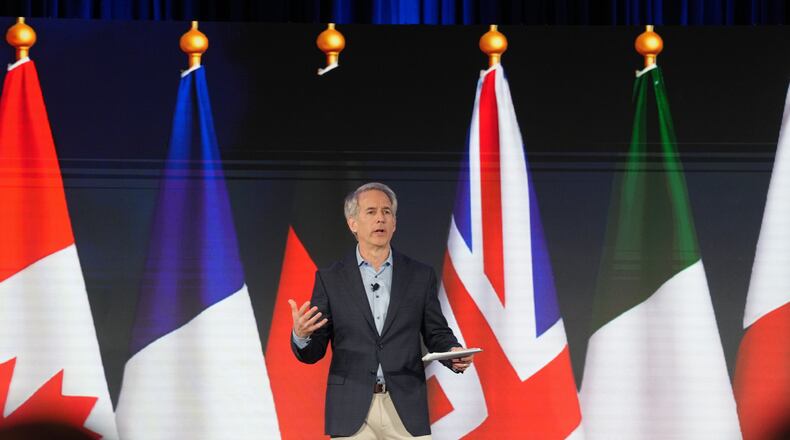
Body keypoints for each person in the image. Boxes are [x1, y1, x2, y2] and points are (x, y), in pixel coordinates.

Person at [289, 182, 474, 439]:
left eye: (387, 212)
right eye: (371, 212)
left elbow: (436, 333)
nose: (380, 218)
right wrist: (301, 336)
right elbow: (314, 352)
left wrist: (453, 352)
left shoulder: (419, 276)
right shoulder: (330, 279)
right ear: (353, 223)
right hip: (351, 409)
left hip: (405, 407)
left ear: (394, 223)